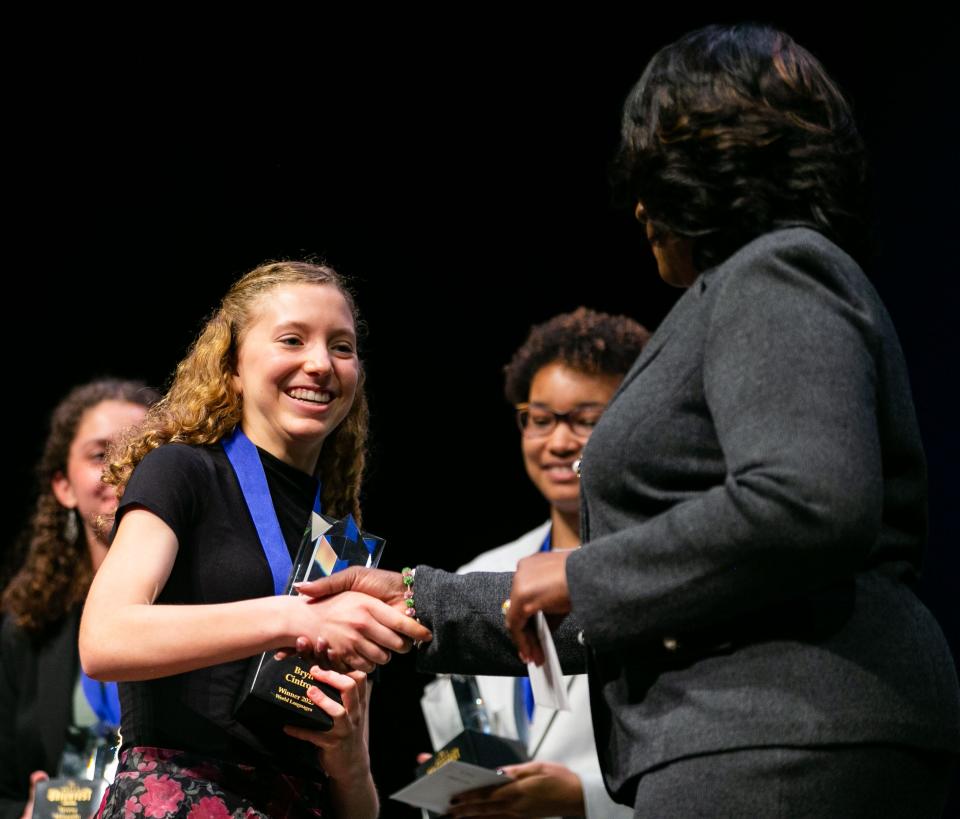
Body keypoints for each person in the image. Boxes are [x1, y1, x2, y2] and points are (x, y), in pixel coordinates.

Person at [301, 24, 960, 817]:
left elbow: (808, 500)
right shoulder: (733, 292)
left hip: (782, 738)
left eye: (652, 170)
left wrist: (578, 573)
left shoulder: (776, 269)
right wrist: (417, 603)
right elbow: (658, 594)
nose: (639, 204)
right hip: (749, 734)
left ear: (706, 162)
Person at [79, 261, 430, 819]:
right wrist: (294, 617)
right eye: (292, 339)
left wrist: (349, 762)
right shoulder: (182, 472)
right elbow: (104, 639)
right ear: (233, 366)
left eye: (342, 347)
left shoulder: (341, 536)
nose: (319, 363)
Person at [420, 308, 647, 819]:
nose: (559, 442)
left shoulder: (658, 572)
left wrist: (584, 799)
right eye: (540, 419)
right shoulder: (484, 572)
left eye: (587, 419)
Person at [1, 379, 158, 819]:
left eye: (144, 451)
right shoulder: (28, 628)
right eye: (99, 454)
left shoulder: (211, 612)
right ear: (64, 485)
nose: (122, 468)